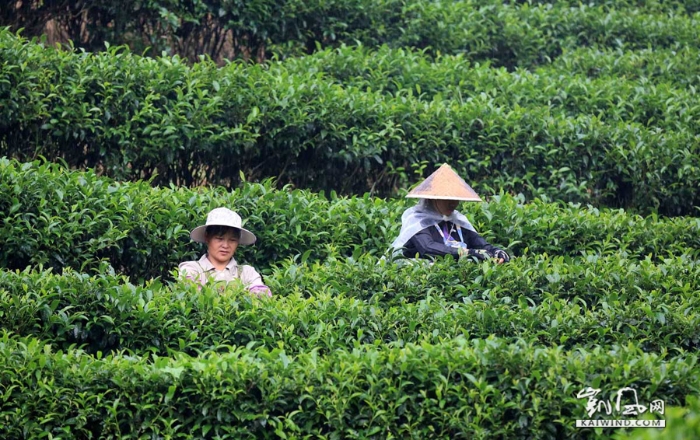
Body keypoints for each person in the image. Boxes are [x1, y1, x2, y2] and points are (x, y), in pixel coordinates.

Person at [391, 164, 510, 263]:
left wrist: (496, 252)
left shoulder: (457, 221)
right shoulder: (417, 220)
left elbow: (480, 244)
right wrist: (467, 253)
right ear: (434, 198)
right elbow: (428, 247)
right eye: (447, 199)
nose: (453, 204)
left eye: (456, 199)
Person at [179, 207, 272, 296]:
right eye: (219, 238)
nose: (225, 245)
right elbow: (191, 295)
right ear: (207, 237)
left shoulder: (247, 273)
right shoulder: (191, 269)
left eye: (232, 240)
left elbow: (262, 298)